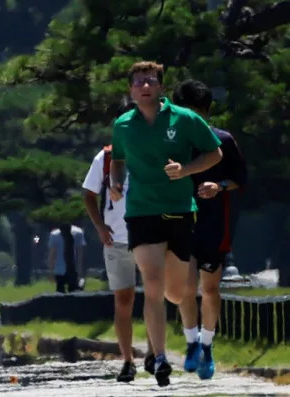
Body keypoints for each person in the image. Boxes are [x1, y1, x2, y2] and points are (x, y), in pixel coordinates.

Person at [110, 62, 222, 387]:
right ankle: (159, 357)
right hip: (141, 212)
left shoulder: (185, 119)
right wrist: (116, 182)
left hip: (178, 211)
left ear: (160, 87)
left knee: (178, 292)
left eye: (150, 81)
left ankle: (170, 333)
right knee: (153, 285)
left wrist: (186, 170)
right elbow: (118, 160)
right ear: (131, 90)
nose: (145, 86)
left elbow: (214, 153)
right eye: (138, 82)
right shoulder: (123, 125)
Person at [173, 79, 247, 380]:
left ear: (205, 112)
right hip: (179, 221)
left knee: (210, 288)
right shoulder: (173, 142)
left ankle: (207, 344)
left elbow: (240, 177)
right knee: (186, 288)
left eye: (197, 113)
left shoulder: (223, 140)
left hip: (214, 222)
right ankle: (191, 342)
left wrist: (219, 186)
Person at [82, 97, 156, 382]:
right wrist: (99, 227)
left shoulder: (153, 151)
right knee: (123, 300)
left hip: (148, 235)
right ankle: (127, 360)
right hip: (117, 239)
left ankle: (153, 353)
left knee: (153, 297)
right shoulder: (105, 158)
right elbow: (88, 195)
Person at [47, 223, 86, 293]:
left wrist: (51, 271)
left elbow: (52, 254)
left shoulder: (54, 234)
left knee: (60, 292)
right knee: (74, 292)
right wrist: (80, 270)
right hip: (73, 269)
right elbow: (80, 254)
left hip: (59, 269)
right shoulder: (79, 232)